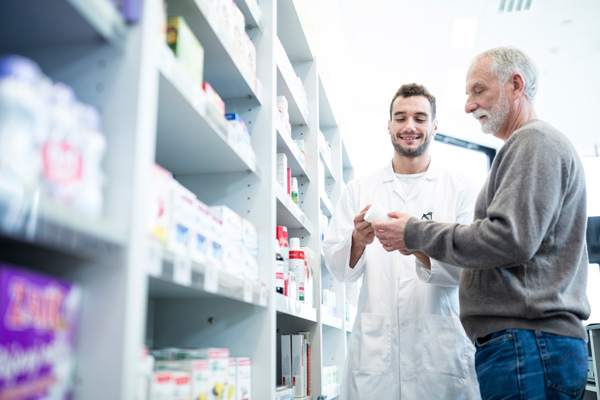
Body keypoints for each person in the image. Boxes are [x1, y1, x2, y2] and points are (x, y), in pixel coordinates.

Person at [374, 47, 591, 399]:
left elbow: (508, 239)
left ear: (515, 85)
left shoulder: (533, 142)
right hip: (528, 344)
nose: (469, 105)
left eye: (478, 90)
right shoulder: (528, 146)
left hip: (527, 343)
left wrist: (415, 232)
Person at [322, 83, 481, 399]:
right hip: (377, 357)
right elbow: (339, 270)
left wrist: (419, 247)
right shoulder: (359, 189)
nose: (410, 126)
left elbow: (472, 269)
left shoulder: (462, 188)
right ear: (389, 125)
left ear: (434, 126)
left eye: (420, 118)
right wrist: (357, 240)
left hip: (441, 351)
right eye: (401, 117)